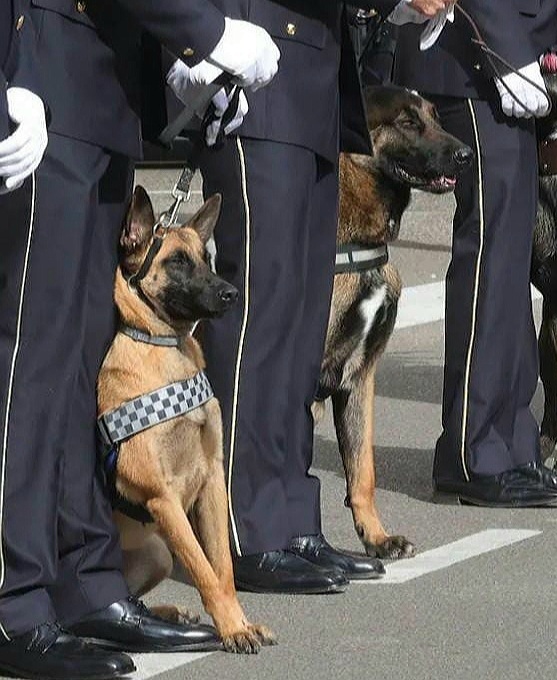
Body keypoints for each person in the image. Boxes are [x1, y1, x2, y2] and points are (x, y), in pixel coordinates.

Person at [0, 1, 280, 677]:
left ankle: (82, 580)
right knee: (32, 361)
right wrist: (206, 34)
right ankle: (13, 602)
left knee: (77, 364)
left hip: (97, 89)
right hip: (34, 63)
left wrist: (182, 70)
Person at [180, 0, 449, 595]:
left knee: (301, 327)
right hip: (261, 64)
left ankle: (291, 515)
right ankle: (241, 524)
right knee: (263, 315)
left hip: (314, 77)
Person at [393, 1, 557, 507]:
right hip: (477, 56)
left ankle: (510, 443)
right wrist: (506, 50)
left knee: (508, 264)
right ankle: (473, 450)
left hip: (506, 52)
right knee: (490, 259)